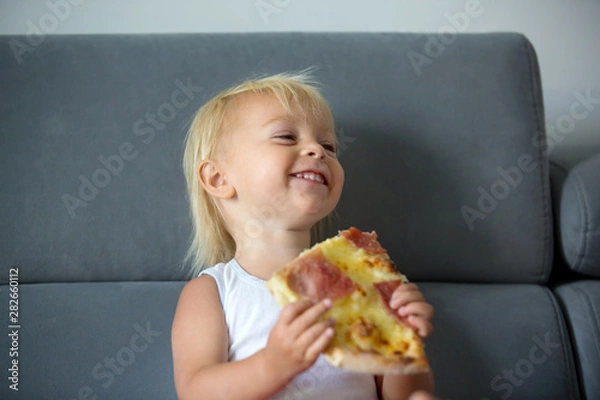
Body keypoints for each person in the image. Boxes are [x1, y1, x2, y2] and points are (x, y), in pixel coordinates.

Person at [171, 72, 435, 400]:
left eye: (329, 145)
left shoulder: (361, 284)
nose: (317, 150)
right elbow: (195, 392)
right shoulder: (213, 291)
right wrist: (271, 366)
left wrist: (404, 348)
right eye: (285, 137)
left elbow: (400, 395)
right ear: (218, 177)